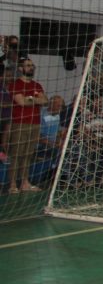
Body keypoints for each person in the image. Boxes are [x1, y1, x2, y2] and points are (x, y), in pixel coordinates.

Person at [6, 58, 47, 193]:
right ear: (20, 68)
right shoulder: (15, 84)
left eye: (32, 65)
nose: (31, 68)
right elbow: (21, 102)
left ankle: (25, 182)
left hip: (35, 123)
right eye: (28, 65)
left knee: (28, 155)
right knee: (16, 154)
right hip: (20, 123)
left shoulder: (37, 85)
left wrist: (29, 98)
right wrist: (35, 99)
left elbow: (44, 101)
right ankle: (13, 184)